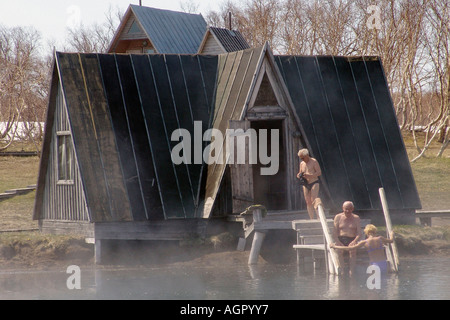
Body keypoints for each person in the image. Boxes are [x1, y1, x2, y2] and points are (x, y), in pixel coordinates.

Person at [332, 201, 361, 275]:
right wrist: (337, 241)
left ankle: (352, 271)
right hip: (341, 238)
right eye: (346, 209)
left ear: (353, 209)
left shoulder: (356, 218)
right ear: (343, 208)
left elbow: (359, 233)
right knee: (339, 251)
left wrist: (355, 241)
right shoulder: (338, 217)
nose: (348, 211)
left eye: (350, 209)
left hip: (352, 239)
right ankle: (342, 269)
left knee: (353, 251)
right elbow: (334, 232)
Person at [296, 148, 322, 219]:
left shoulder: (314, 161)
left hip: (314, 182)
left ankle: (318, 217)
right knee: (308, 201)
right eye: (301, 158)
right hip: (306, 183)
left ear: (307, 155)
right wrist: (298, 175)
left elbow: (319, 172)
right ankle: (311, 218)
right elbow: (300, 172)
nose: (302, 159)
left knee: (313, 200)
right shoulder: (302, 163)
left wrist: (310, 176)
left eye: (303, 158)